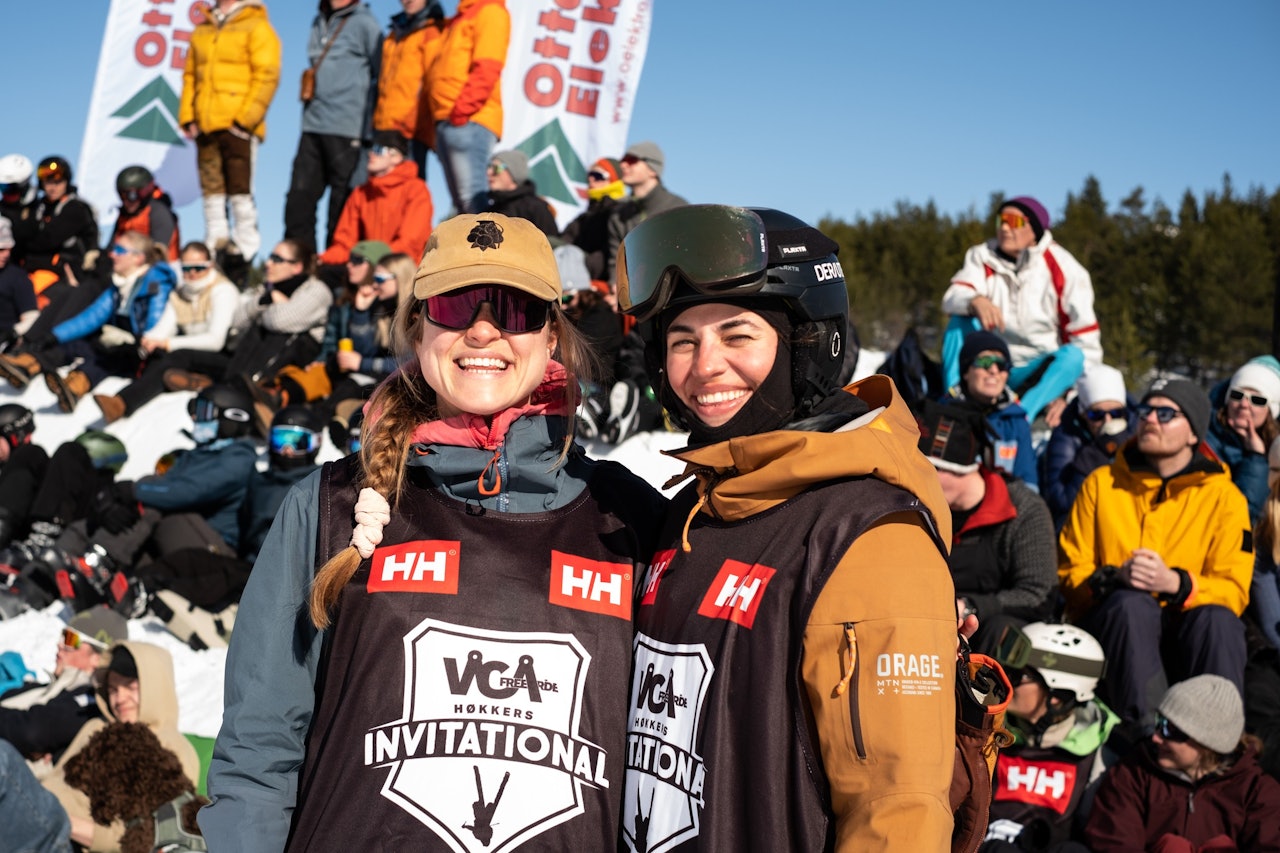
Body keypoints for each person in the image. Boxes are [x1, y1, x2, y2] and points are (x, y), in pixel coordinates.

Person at [200, 213, 666, 850]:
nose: (482, 329)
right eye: (454, 304)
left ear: (551, 335)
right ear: (419, 328)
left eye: (515, 307)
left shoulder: (627, 518)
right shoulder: (331, 504)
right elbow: (259, 746)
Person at [615, 204, 957, 850]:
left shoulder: (865, 537)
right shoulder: (696, 511)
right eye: (682, 339)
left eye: (737, 335)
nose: (704, 365)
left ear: (806, 347)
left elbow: (897, 812)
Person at [1058, 379, 1253, 734]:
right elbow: (1070, 573)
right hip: (1116, 630)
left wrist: (1178, 584)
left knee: (1219, 621)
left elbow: (1234, 590)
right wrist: (1113, 577)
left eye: (1166, 414)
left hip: (1188, 629)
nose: (1150, 420)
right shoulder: (1101, 483)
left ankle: (1217, 743)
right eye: (1146, 410)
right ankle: (1146, 738)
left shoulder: (1226, 498)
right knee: (1132, 605)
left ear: (1194, 433)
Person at [941, 196, 1101, 423]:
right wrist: (974, 300)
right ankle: (953, 404)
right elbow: (951, 297)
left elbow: (1087, 343)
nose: (1004, 228)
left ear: (1034, 229)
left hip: (1038, 371)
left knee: (1074, 356)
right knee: (959, 322)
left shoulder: (1066, 269)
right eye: (1000, 221)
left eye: (1013, 222)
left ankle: (1018, 419)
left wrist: (1068, 393)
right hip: (990, 364)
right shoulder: (982, 256)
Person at [917, 399, 1058, 653]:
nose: (913, 480)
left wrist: (969, 606)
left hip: (989, 636)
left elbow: (1038, 593)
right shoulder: (913, 507)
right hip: (921, 622)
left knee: (1002, 631)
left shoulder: (1021, 509)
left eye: (923, 471)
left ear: (950, 469)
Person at [1084, 674, 1280, 851]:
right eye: (1159, 722)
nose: (1156, 737)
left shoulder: (1257, 792)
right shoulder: (1133, 775)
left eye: (1171, 730)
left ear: (1207, 743)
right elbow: (1114, 844)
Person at [0, 231, 177, 413]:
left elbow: (156, 325)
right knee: (74, 343)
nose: (112, 254)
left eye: (119, 250)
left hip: (141, 352)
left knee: (109, 357)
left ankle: (76, 385)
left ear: (137, 258)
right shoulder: (119, 285)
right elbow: (91, 318)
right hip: (121, 343)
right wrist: (53, 336)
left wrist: (133, 339)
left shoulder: (155, 284)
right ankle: (28, 364)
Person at [982, 622, 1117, 853]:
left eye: (1018, 676)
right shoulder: (985, 725)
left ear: (1056, 697)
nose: (1004, 681)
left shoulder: (1102, 750)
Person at [249, 245, 403, 431]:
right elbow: (332, 338)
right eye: (349, 260)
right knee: (317, 368)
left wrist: (361, 314)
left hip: (368, 369)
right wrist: (323, 359)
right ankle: (273, 397)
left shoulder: (388, 307)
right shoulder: (342, 297)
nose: (349, 265)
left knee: (344, 379)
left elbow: (379, 354)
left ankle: (313, 421)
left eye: (357, 261)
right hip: (345, 361)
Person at [92, 241, 241, 424]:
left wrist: (168, 343)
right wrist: (150, 340)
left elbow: (216, 340)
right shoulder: (179, 294)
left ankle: (123, 402)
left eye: (198, 268)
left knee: (177, 353)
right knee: (152, 353)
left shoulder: (223, 291)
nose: (192, 273)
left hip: (223, 357)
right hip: (194, 354)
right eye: (187, 268)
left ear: (210, 266)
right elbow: (164, 327)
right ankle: (196, 380)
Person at [180, 0, 282, 264]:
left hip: (238, 123)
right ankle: (215, 242)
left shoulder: (256, 25)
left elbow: (267, 74)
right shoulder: (202, 28)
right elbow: (190, 75)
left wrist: (245, 119)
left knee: (240, 186)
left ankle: (245, 247)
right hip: (205, 123)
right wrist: (188, 116)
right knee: (211, 188)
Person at [161, 239, 332, 390]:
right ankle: (228, 385)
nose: (268, 263)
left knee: (273, 331)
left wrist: (263, 309)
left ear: (297, 267)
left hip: (294, 368)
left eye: (277, 259)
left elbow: (281, 321)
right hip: (251, 358)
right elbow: (237, 320)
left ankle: (247, 388)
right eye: (270, 257)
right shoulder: (267, 290)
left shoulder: (316, 290)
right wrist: (264, 301)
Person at [284, 0, 383, 252]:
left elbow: (381, 75)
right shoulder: (318, 20)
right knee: (299, 200)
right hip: (312, 125)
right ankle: (299, 266)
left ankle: (334, 272)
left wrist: (372, 129)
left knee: (341, 209)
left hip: (348, 128)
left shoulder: (365, 24)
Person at [0, 608, 125, 765]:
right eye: (63, 636)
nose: (60, 645)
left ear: (97, 658)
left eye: (70, 640)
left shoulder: (87, 702)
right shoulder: (54, 686)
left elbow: (30, 731)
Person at [426, 0, 510, 215]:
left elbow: (488, 67)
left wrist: (461, 112)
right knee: (462, 206)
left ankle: (485, 248)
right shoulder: (460, 17)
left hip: (469, 120)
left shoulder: (490, 11)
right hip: (449, 119)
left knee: (472, 200)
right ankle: (470, 247)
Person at [1039, 365, 1136, 531]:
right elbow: (1061, 501)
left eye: (1115, 414)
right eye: (1096, 415)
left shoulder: (1139, 428)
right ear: (1083, 414)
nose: (1107, 421)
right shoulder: (1066, 434)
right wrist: (1093, 456)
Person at [317, 131, 433, 268]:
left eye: (378, 150)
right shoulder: (360, 193)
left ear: (396, 157)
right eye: (371, 149)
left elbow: (410, 244)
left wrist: (371, 259)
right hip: (369, 265)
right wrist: (319, 260)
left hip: (404, 268)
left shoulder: (416, 189)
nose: (371, 154)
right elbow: (344, 244)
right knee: (323, 272)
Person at [945, 329, 1037, 487]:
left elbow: (1028, 482)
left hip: (1005, 507)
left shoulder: (1016, 420)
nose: (994, 370)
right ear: (966, 372)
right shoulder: (944, 414)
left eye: (1001, 365)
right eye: (984, 362)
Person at [372, 0, 446, 177]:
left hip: (411, 131)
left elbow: (433, 82)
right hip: (382, 126)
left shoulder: (433, 31)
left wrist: (412, 121)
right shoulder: (393, 34)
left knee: (408, 190)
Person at [1204, 356, 1280, 521]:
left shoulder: (1276, 454)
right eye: (1237, 394)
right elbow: (1237, 516)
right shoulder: (1202, 441)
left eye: (1257, 400)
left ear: (1272, 410)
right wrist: (1256, 459)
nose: (1244, 404)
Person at [605, 141, 688, 283]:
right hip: (630, 295)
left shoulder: (678, 208)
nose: (623, 165)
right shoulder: (618, 215)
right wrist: (616, 287)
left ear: (653, 169)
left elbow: (685, 258)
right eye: (623, 161)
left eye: (631, 160)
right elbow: (616, 261)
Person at [21, 157, 99, 280]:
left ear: (66, 182)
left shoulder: (76, 208)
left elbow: (47, 240)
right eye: (48, 182)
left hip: (70, 270)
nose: (53, 188)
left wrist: (22, 242)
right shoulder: (39, 207)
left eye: (58, 182)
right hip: (41, 267)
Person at [562, 157, 626, 282]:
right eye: (589, 175)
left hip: (604, 282)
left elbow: (613, 251)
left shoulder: (619, 212)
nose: (591, 179)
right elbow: (565, 239)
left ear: (613, 180)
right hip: (577, 278)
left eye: (597, 175)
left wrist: (583, 268)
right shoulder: (584, 217)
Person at [109, 166, 180, 261]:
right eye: (122, 196)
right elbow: (112, 246)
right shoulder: (124, 216)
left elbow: (158, 252)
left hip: (158, 269)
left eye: (131, 195)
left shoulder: (158, 212)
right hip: (129, 268)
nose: (126, 201)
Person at [486, 149, 559, 237]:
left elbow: (550, 246)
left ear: (513, 172)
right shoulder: (490, 210)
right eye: (489, 167)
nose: (489, 172)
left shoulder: (536, 208)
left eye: (496, 168)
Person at [0, 215, 38, 342]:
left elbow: (31, 317)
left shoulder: (17, 277)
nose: (6, 254)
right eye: (1, 249)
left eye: (9, 249)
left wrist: (12, 333)